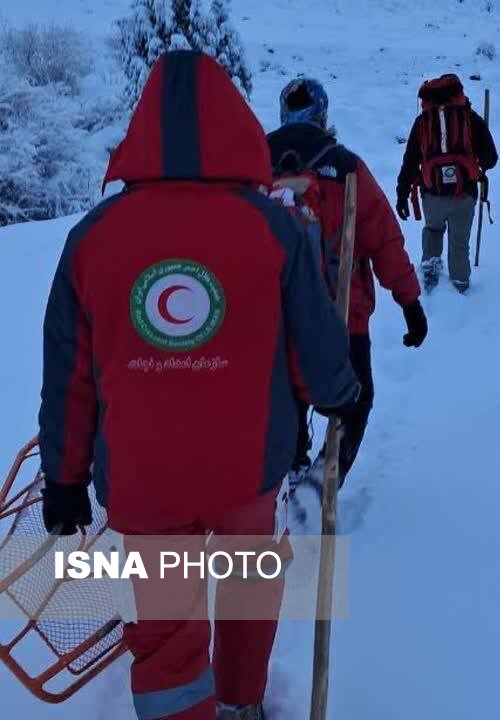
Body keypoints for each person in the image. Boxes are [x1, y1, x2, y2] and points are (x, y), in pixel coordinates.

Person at [38, 51, 359, 720]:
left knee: (164, 628)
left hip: (143, 479)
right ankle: (241, 702)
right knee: (248, 586)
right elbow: (313, 341)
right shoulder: (274, 227)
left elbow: (68, 372)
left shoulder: (93, 236)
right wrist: (338, 393)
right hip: (247, 467)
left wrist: (64, 478)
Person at [266, 77, 428, 493]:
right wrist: (409, 302)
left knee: (287, 397)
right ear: (323, 114)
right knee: (355, 400)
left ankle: (293, 472)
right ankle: (318, 488)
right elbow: (383, 238)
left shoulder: (254, 166)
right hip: (341, 313)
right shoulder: (345, 166)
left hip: (272, 314)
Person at [395, 73, 499, 293]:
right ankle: (460, 288)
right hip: (465, 194)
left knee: (433, 231)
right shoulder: (469, 117)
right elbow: (491, 158)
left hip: (432, 194)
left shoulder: (423, 122)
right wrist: (479, 166)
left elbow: (410, 161)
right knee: (459, 244)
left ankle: (431, 284)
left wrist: (402, 194)